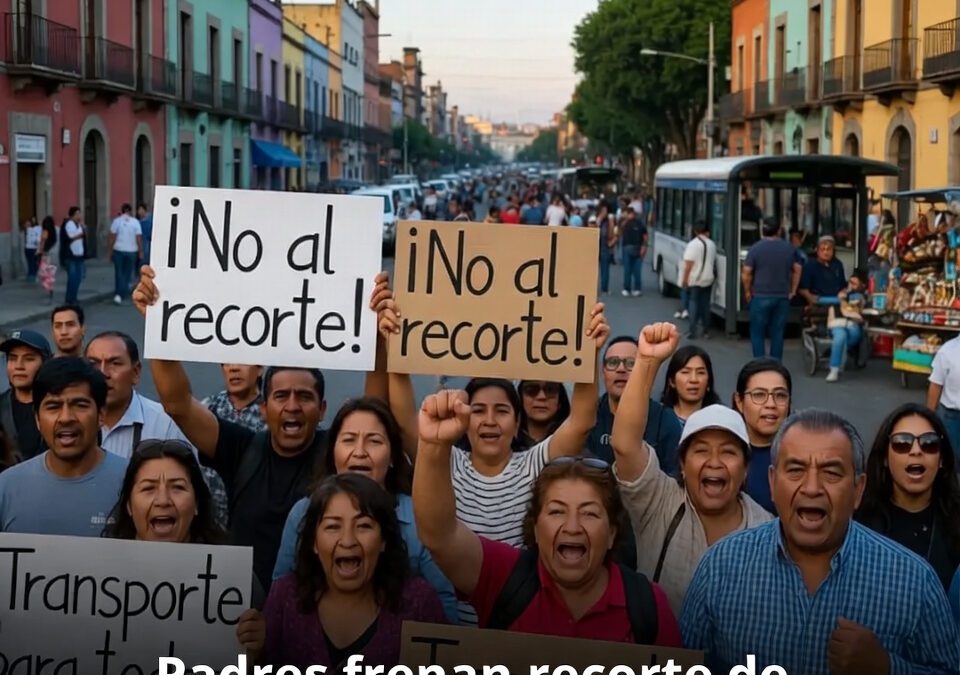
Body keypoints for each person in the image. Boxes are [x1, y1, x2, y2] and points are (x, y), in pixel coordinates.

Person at [133, 266, 381, 590]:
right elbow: (178, 404)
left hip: (311, 615)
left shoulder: (337, 453)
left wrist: (377, 337)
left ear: (322, 410)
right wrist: (159, 323)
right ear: (263, 409)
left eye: (304, 397)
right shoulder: (242, 449)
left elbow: (376, 416)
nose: (292, 406)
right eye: (280, 396)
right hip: (235, 613)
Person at [680, 409, 960, 674]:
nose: (812, 487)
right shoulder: (720, 566)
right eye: (796, 470)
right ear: (772, 483)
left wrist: (887, 667)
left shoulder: (914, 581)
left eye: (831, 472)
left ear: (858, 490)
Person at [412, 389, 682, 645]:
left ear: (612, 532)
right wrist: (434, 445)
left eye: (589, 513)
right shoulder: (503, 577)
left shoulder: (647, 604)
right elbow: (439, 536)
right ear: (536, 527)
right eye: (556, 511)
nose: (573, 527)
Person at [611, 323, 772, 615]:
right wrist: (647, 361)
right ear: (682, 465)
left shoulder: (768, 531)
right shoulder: (659, 501)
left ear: (746, 467)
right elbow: (624, 444)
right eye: (701, 451)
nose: (714, 461)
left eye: (728, 451)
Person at [272, 398, 457, 622]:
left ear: (392, 457)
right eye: (349, 440)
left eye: (374, 441)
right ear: (333, 451)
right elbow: (282, 592)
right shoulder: (303, 512)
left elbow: (444, 601)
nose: (359, 452)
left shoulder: (421, 516)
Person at [238, 474, 447, 670]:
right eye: (332, 527)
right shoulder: (285, 597)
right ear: (314, 543)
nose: (348, 540)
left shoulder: (419, 603)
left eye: (363, 526)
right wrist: (254, 655)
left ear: (383, 540)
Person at [0, 358, 128, 535]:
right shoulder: (6, 488)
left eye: (80, 405)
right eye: (53, 407)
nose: (66, 417)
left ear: (101, 414)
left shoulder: (132, 482)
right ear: (37, 418)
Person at [856, 403, 960, 591]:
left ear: (942, 458)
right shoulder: (858, 523)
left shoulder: (955, 520)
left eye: (929, 443)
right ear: (885, 458)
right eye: (902, 443)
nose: (916, 451)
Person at [586, 336, 683, 475]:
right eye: (613, 362)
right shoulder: (589, 417)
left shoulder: (665, 420)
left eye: (631, 363)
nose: (621, 369)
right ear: (603, 372)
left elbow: (673, 476)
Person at [103, 439, 224, 544]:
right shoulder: (103, 566)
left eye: (177, 487)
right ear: (129, 505)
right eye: (148, 488)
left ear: (196, 503)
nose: (163, 501)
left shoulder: (226, 567)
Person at [732, 358, 792, 513]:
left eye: (780, 395)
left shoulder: (801, 455)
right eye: (759, 395)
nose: (771, 404)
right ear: (739, 401)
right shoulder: (724, 453)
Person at [742, 217, 802, 360]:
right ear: (779, 230)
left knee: (757, 332)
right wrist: (793, 290)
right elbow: (797, 269)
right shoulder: (789, 248)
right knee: (777, 333)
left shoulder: (756, 248)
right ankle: (776, 364)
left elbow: (746, 273)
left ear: (763, 230)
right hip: (782, 296)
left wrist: (747, 291)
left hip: (760, 296)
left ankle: (759, 362)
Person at [0, 330, 52, 461]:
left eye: (29, 359)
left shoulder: (59, 406)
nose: (19, 366)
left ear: (45, 362)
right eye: (12, 358)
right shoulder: (1, 406)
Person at [824, 269, 868, 383]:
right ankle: (834, 369)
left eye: (854, 283)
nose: (850, 285)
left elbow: (857, 302)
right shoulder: (841, 294)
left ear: (861, 285)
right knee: (840, 335)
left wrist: (847, 296)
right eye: (849, 282)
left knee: (846, 335)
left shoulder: (859, 296)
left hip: (852, 325)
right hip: (839, 323)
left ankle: (835, 358)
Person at [660, 345, 721, 424]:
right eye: (685, 372)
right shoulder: (659, 418)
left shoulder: (719, 421)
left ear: (708, 382)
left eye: (700, 373)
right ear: (672, 381)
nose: (693, 379)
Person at [203, 364, 267, 432]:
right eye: (228, 362)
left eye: (242, 361)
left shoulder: (271, 412)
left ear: (260, 369)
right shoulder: (209, 407)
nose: (234, 368)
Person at [928, 333, 960, 465]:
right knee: (951, 459)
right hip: (951, 417)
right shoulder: (948, 350)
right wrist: (928, 418)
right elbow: (936, 384)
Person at [681, 221, 716, 339]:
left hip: (695, 279)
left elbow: (688, 265)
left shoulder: (693, 244)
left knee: (693, 303)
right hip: (708, 278)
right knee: (706, 304)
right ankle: (706, 331)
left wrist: (685, 280)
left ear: (695, 231)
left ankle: (692, 330)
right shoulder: (712, 244)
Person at [517, 380, 571, 448]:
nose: (541, 397)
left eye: (550, 390)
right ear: (520, 398)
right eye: (531, 390)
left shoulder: (573, 447)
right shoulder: (506, 446)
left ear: (560, 401)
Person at [798, 235, 848, 306]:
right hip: (817, 301)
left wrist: (843, 292)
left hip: (836, 301)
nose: (826, 252)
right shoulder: (810, 265)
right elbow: (802, 289)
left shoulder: (838, 264)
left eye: (829, 249)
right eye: (823, 249)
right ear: (817, 251)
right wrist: (810, 299)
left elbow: (843, 286)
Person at [109, 203, 143, 305]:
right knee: (127, 273)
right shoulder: (135, 222)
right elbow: (138, 238)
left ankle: (119, 293)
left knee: (119, 272)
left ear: (122, 210)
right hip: (131, 251)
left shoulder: (116, 221)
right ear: (130, 211)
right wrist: (140, 251)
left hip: (118, 250)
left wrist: (109, 251)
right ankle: (122, 293)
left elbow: (112, 237)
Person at [620, 208, 647, 297]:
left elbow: (645, 235)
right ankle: (626, 288)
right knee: (627, 270)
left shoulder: (639, 223)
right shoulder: (625, 223)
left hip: (637, 247)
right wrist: (625, 219)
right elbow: (620, 229)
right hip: (627, 247)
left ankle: (637, 288)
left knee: (637, 270)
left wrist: (644, 246)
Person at [62, 206, 86, 305]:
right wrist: (79, 235)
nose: (79, 216)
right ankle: (70, 299)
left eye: (79, 213)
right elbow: (70, 237)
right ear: (72, 215)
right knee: (72, 278)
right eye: (77, 214)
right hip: (70, 255)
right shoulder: (69, 224)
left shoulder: (79, 225)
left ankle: (74, 297)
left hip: (79, 254)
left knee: (78, 277)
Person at [37, 215, 59, 302]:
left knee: (44, 273)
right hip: (52, 255)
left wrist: (39, 252)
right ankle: (50, 289)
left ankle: (48, 289)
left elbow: (42, 243)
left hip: (45, 254)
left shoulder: (45, 232)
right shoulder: (54, 231)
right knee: (50, 274)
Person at [23, 216, 41, 282]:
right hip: (28, 248)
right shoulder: (27, 231)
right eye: (27, 224)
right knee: (30, 263)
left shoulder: (35, 229)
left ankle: (32, 275)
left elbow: (37, 238)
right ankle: (31, 276)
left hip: (34, 248)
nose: (28, 225)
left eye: (29, 224)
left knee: (35, 263)